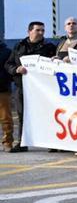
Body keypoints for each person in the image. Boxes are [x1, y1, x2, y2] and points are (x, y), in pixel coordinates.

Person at [4, 21, 58, 152]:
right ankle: (22, 144)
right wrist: (16, 69)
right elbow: (8, 64)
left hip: (43, 88)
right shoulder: (19, 46)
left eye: (43, 31)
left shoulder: (49, 47)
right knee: (22, 116)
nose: (41, 33)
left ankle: (52, 143)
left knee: (47, 114)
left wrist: (55, 61)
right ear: (29, 31)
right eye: (38, 30)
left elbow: (56, 64)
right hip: (22, 87)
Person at [0, 40, 12, 151]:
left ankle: (7, 142)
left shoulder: (6, 51)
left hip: (2, 89)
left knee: (5, 118)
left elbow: (8, 69)